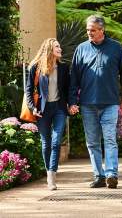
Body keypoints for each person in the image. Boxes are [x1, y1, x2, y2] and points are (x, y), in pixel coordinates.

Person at [69, 15, 122, 189]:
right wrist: (72, 101)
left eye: (93, 30)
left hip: (110, 103)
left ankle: (111, 174)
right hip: (87, 104)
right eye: (88, 30)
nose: (90, 33)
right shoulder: (81, 49)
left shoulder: (116, 48)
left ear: (102, 30)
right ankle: (99, 176)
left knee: (110, 139)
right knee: (92, 142)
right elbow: (73, 78)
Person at [26, 38, 69, 190]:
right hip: (42, 110)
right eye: (57, 46)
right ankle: (48, 172)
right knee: (46, 143)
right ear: (50, 49)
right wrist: (33, 108)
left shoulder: (63, 68)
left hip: (59, 108)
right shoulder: (36, 67)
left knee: (56, 141)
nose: (60, 49)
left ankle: (52, 175)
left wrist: (72, 104)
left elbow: (68, 89)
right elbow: (29, 90)